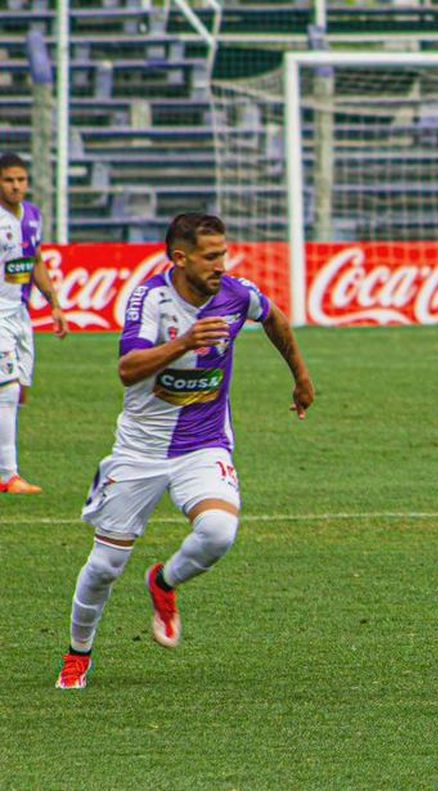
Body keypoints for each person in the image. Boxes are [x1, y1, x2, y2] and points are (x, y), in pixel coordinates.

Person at [55, 213, 315, 690]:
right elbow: (128, 369)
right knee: (105, 567)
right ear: (180, 258)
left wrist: (300, 377)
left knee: (218, 531)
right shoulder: (149, 299)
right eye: (211, 256)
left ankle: (165, 582)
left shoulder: (236, 295)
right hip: (139, 451)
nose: (222, 264)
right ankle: (78, 654)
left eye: (224, 253)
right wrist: (184, 343)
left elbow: (274, 317)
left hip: (203, 444)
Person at [0, 152, 68, 494]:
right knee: (7, 389)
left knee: (20, 391)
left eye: (20, 179)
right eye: (8, 180)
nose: (16, 186)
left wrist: (54, 304)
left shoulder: (33, 216)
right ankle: (7, 476)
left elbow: (35, 259)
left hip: (21, 314)